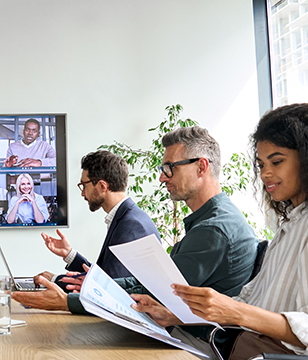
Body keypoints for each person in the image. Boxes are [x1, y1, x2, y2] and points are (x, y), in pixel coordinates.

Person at [13, 127, 258, 339]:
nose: (162, 177)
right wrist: (84, 285)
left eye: (169, 168)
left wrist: (70, 301)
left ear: (201, 167)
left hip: (192, 342)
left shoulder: (213, 229)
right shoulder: (209, 221)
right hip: (180, 332)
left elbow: (157, 293)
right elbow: (149, 284)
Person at [132, 104, 308, 359]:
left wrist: (234, 312)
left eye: (277, 161)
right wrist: (174, 314)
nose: (265, 174)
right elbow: (247, 304)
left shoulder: (218, 228)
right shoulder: (290, 225)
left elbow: (246, 313)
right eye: (260, 165)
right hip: (241, 346)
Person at [32, 150, 160, 291]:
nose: (82, 193)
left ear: (102, 186)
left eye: (84, 185)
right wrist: (69, 254)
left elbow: (108, 287)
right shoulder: (127, 217)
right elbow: (105, 275)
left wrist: (54, 280)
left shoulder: (131, 225)